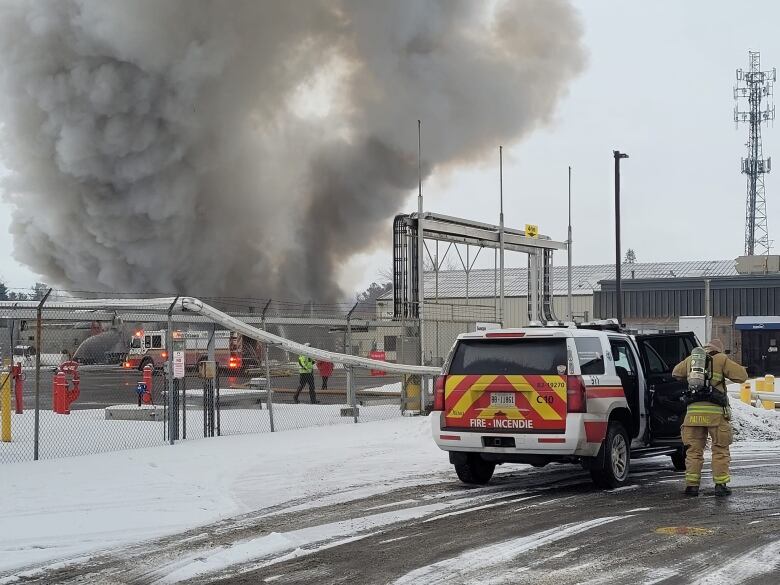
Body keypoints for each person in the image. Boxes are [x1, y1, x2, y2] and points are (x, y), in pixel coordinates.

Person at [672, 339, 748, 497]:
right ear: (719, 349)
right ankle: (720, 486)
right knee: (720, 450)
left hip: (693, 415)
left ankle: (692, 486)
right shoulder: (721, 358)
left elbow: (675, 373)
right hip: (715, 415)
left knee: (693, 452)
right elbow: (742, 376)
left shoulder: (691, 360)